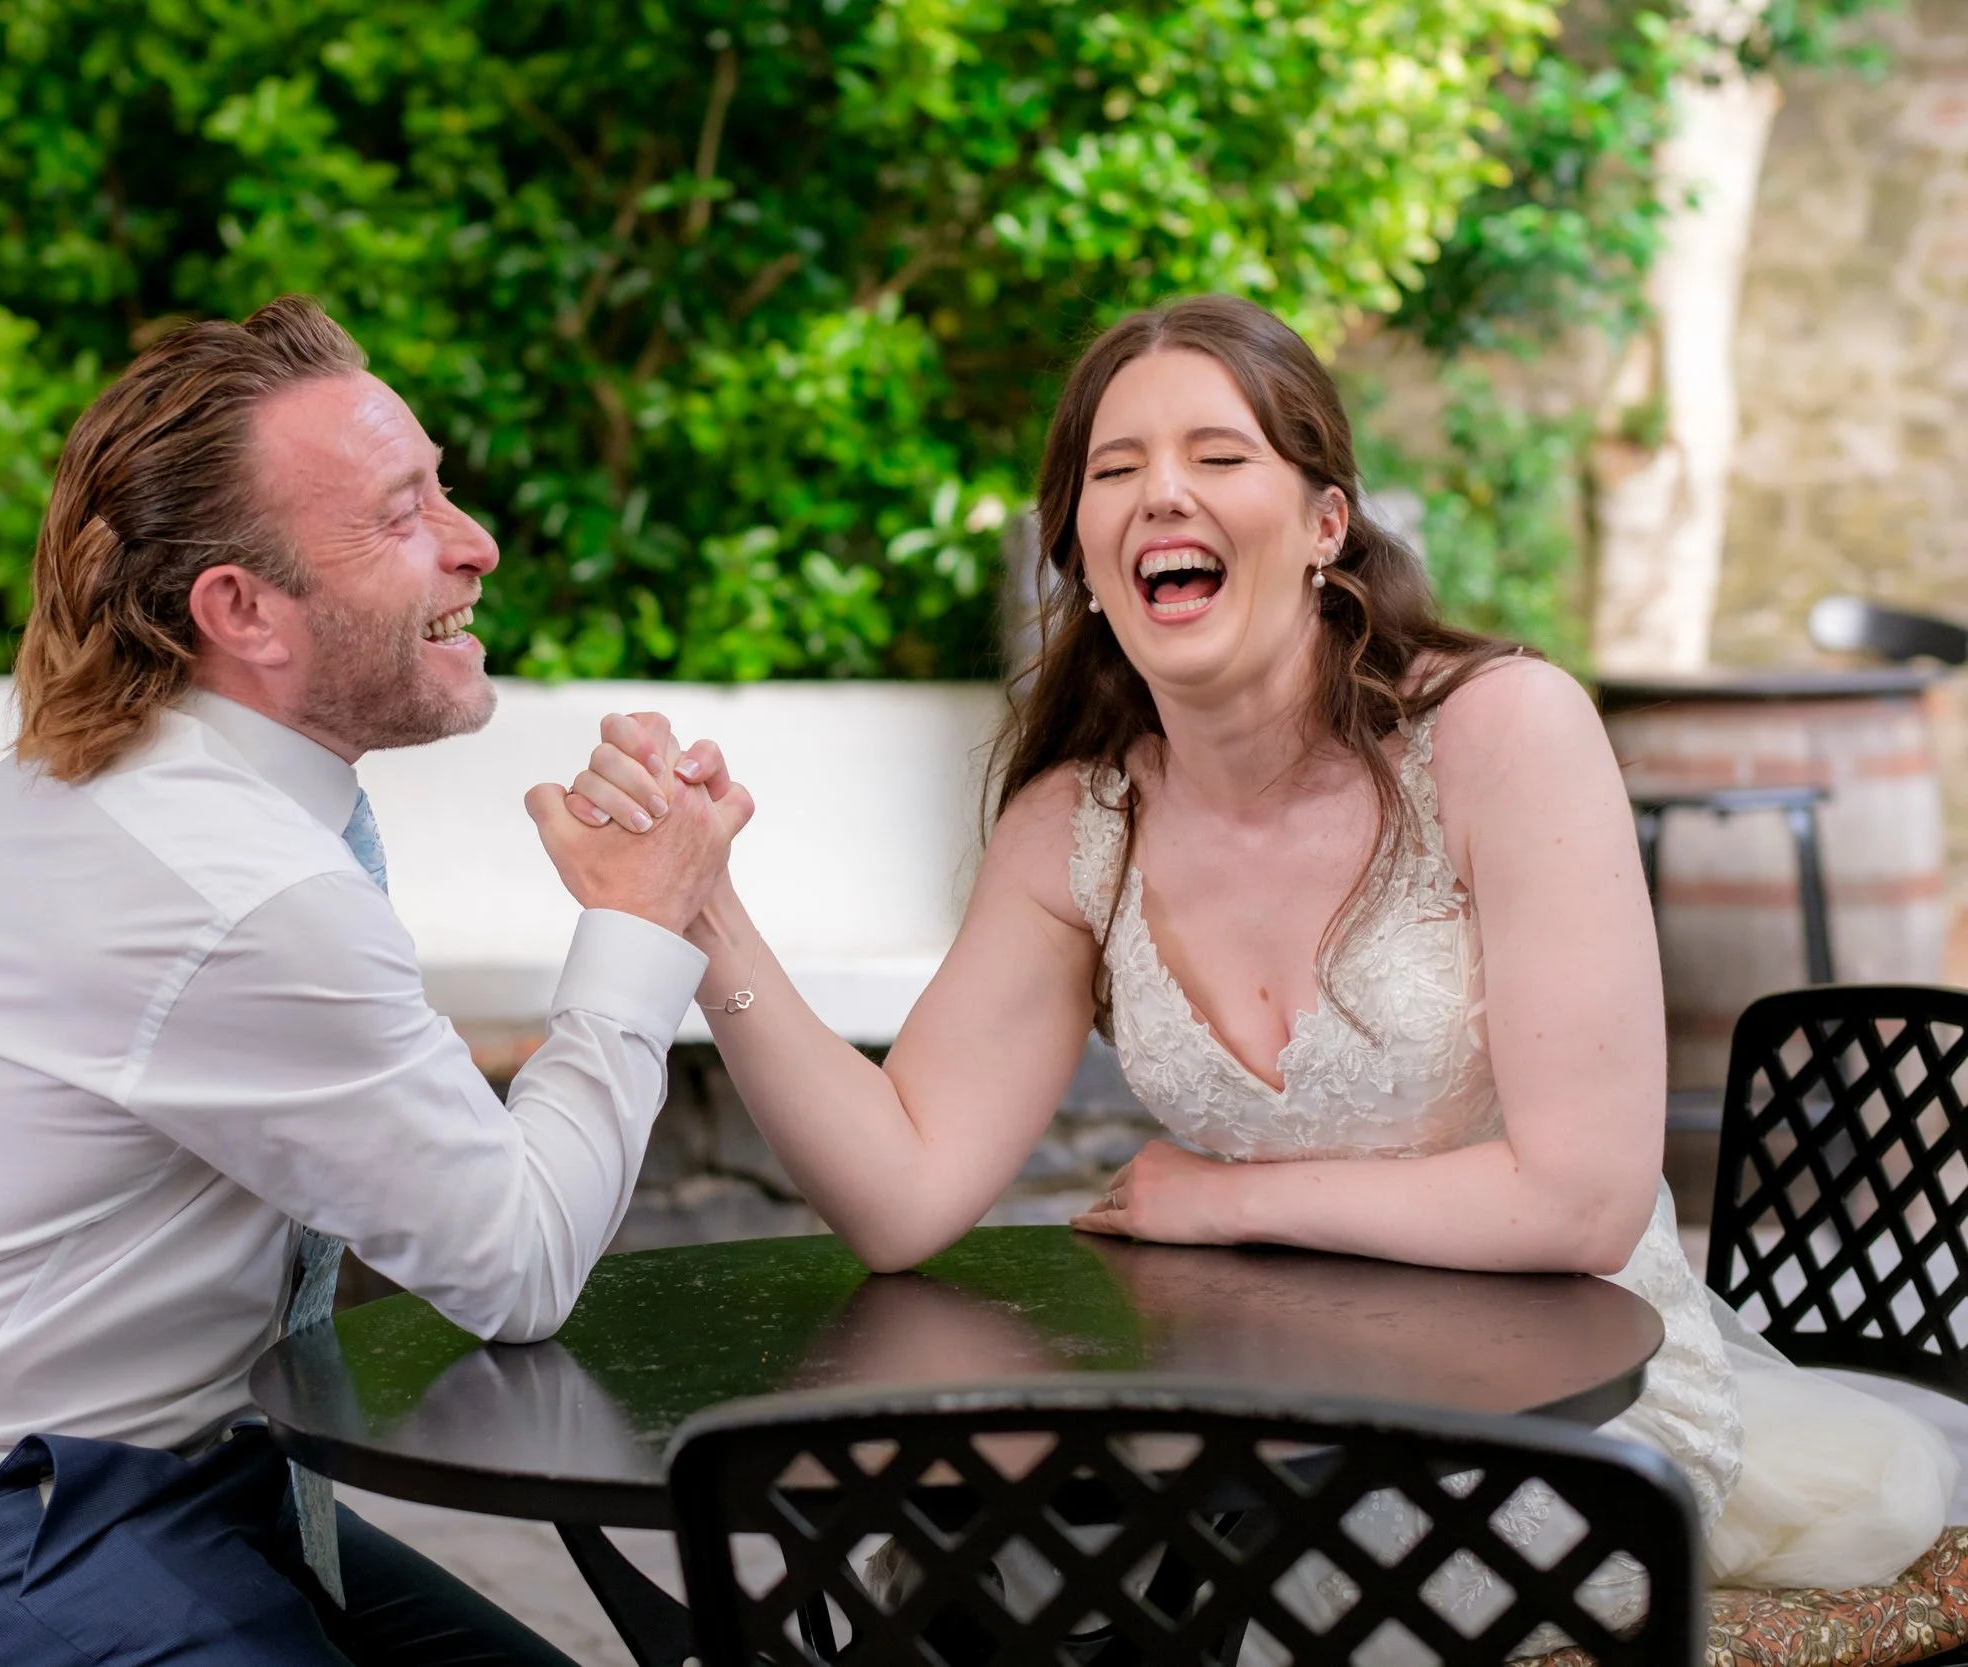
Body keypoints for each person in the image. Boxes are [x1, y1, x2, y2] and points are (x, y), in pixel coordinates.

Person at [556, 295, 1954, 1632]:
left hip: (1567, 1409)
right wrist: (704, 913)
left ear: (1324, 525)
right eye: (1116, 470)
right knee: (962, 1575)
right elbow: (903, 1189)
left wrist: (1228, 1198)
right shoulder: (1075, 827)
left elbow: (1583, 1199)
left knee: (1202, 1590)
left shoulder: (1503, 735)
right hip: (1261, 1407)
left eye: (1218, 455)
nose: (1162, 492)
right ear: (1088, 563)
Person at [0, 295, 750, 1666]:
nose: (475, 542)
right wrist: (639, 926)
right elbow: (513, 1265)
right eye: (404, 516)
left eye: (441, 485)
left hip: (156, 1493)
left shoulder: (188, 794)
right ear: (242, 610)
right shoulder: (226, 878)